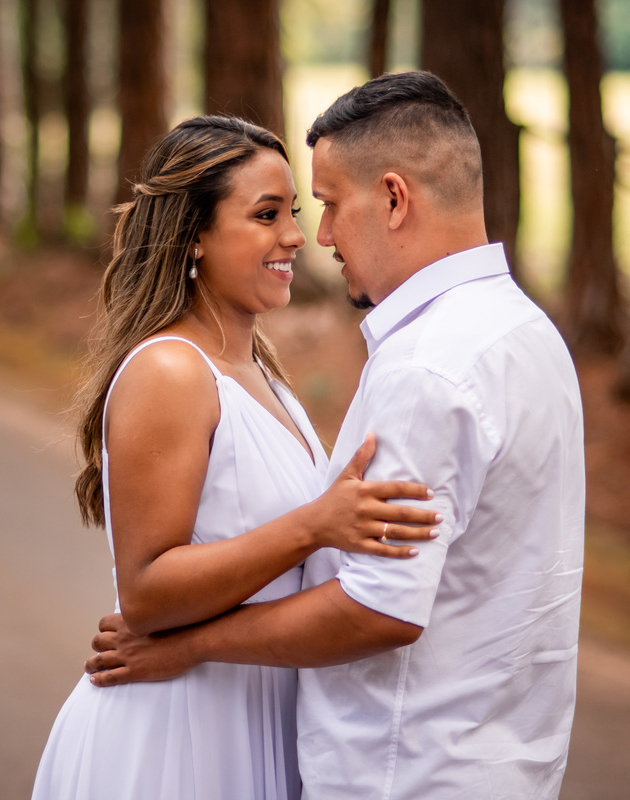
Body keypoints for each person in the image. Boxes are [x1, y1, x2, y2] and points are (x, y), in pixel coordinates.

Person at [85, 72, 586, 799]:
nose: (312, 236)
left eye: (322, 206)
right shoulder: (525, 333)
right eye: (275, 213)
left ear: (392, 197)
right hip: (482, 762)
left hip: (406, 772)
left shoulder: (425, 367)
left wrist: (189, 646)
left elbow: (380, 606)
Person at [32, 115, 439, 800]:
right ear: (194, 232)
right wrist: (315, 524)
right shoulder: (171, 370)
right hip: (176, 735)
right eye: (265, 215)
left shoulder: (261, 371)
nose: (293, 237)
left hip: (255, 717)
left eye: (296, 212)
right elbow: (147, 592)